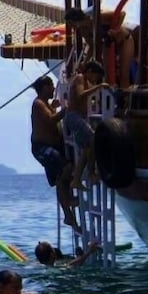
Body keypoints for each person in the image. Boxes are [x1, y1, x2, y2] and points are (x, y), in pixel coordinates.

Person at [31, 75, 78, 230]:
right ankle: (68, 205)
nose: (53, 89)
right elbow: (51, 119)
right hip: (42, 148)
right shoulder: (38, 104)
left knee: (62, 177)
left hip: (52, 147)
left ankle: (68, 214)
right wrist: (66, 109)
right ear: (44, 87)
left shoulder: (46, 103)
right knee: (64, 172)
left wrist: (56, 106)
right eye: (51, 86)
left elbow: (51, 114)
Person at [65, 60, 108, 190]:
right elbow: (79, 96)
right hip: (73, 117)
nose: (96, 80)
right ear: (90, 72)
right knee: (93, 138)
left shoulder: (87, 82)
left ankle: (76, 179)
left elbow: (86, 100)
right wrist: (98, 87)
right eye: (96, 76)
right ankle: (90, 173)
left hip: (80, 117)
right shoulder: (80, 78)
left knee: (88, 149)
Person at [35, 240, 101, 267]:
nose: (55, 249)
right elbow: (73, 264)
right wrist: (89, 251)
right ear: (52, 255)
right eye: (53, 249)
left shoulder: (37, 264)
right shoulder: (57, 267)